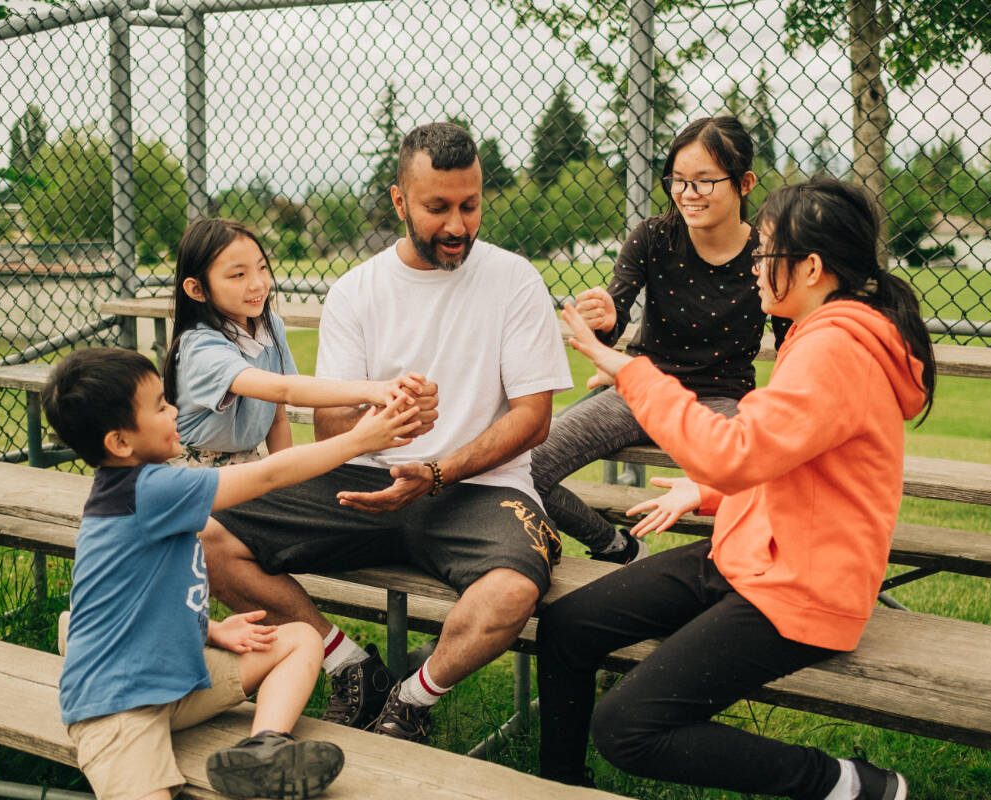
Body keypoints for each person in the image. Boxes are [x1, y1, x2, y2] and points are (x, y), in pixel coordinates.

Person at [536, 177, 936, 800]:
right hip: (750, 554)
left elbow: (733, 452)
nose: (754, 264)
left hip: (802, 589)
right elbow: (788, 459)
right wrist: (707, 496)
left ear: (809, 267)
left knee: (627, 729)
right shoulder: (819, 333)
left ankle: (846, 785)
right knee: (568, 627)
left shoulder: (836, 347)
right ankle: (558, 785)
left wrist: (634, 372)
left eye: (765, 252)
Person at [200, 121, 573, 744]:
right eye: (438, 208)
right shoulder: (357, 290)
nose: (457, 225)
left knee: (511, 591)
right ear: (400, 201)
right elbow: (331, 426)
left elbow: (533, 417)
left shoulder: (514, 280)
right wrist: (387, 422)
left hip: (476, 489)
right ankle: (350, 665)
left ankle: (412, 698)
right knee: (206, 534)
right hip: (360, 480)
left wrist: (436, 471)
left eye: (470, 205)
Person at [43, 347, 420, 800]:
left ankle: (265, 750)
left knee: (300, 638)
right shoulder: (150, 490)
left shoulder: (142, 490)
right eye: (160, 406)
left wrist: (212, 629)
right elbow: (267, 476)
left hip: (176, 679)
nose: (174, 410)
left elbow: (141, 596)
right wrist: (359, 439)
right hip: (117, 706)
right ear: (120, 442)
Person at [530, 116, 790, 565]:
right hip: (640, 387)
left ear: (744, 182)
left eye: (705, 182)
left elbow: (793, 350)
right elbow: (614, 317)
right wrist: (607, 318)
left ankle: (729, 573)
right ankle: (616, 546)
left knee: (757, 479)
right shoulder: (654, 236)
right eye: (678, 180)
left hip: (720, 398)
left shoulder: (764, 254)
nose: (689, 194)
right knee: (524, 468)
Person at [161, 217, 424, 467]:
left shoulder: (270, 326)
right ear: (197, 289)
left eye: (262, 268)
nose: (257, 284)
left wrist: (286, 485)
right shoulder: (200, 347)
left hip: (247, 462)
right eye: (238, 275)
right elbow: (285, 390)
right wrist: (371, 390)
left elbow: (277, 420)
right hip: (196, 469)